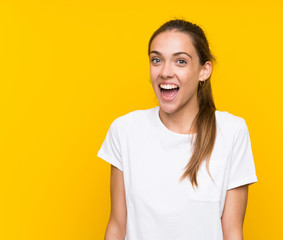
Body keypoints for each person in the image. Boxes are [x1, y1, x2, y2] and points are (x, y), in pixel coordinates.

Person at [97, 18, 258, 240]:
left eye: (180, 61)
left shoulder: (232, 132)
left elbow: (232, 231)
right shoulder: (125, 130)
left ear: (204, 71)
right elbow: (117, 225)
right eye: (156, 60)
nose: (165, 72)